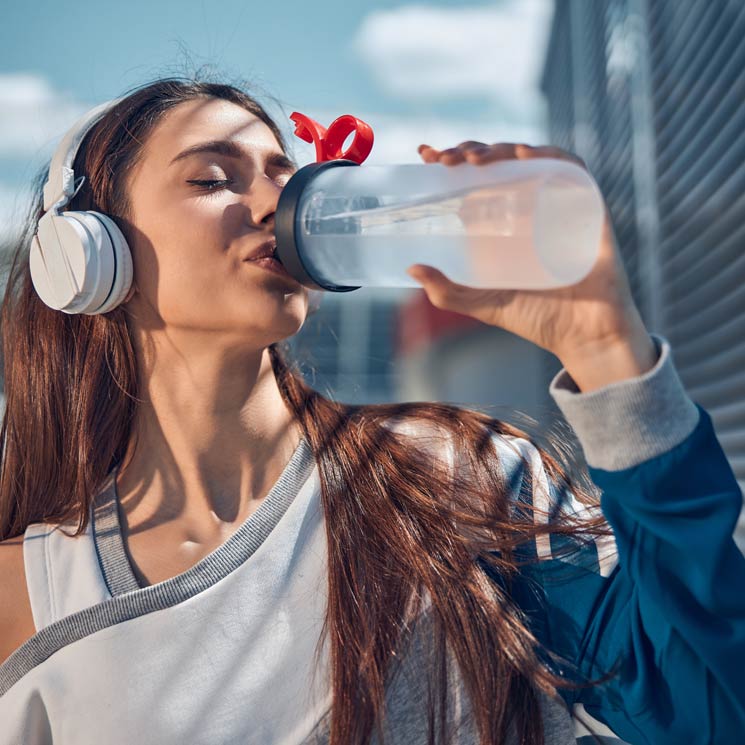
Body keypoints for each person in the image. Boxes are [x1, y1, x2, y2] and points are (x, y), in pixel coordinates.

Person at [0, 77, 742, 745]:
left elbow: (710, 710)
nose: (272, 204)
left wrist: (604, 344)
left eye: (284, 176)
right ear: (90, 255)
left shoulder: (457, 482)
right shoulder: (30, 596)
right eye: (213, 177)